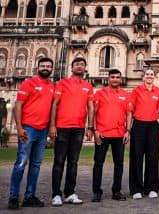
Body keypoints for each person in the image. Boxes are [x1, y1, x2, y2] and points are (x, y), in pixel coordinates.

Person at [8, 57, 55, 210]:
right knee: (21, 163)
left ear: (52, 69)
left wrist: (51, 127)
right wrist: (20, 128)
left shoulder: (52, 86)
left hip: (42, 131)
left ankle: (29, 196)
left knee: (35, 165)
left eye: (48, 66)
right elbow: (17, 105)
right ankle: (13, 197)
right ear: (37, 67)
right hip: (28, 129)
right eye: (43, 66)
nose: (46, 68)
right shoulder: (29, 83)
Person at [49, 57, 94, 206]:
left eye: (82, 64)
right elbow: (55, 104)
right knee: (59, 161)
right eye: (77, 64)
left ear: (85, 68)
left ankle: (69, 193)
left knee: (73, 162)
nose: (80, 66)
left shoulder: (88, 86)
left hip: (78, 128)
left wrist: (90, 127)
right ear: (71, 67)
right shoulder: (62, 83)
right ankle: (56, 194)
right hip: (62, 127)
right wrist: (52, 125)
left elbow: (90, 107)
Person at [91, 69, 132, 202]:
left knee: (119, 164)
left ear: (121, 79)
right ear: (108, 79)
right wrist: (95, 130)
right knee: (98, 163)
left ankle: (117, 191)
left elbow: (129, 114)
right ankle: (97, 192)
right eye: (113, 77)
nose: (115, 79)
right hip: (102, 134)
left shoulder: (126, 95)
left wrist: (128, 131)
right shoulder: (100, 93)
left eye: (117, 77)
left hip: (119, 134)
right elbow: (94, 113)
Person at [129, 69, 159, 199]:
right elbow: (131, 109)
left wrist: (152, 115)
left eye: (151, 74)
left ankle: (152, 188)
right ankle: (136, 189)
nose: (149, 76)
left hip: (152, 126)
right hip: (139, 125)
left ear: (154, 77)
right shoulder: (136, 90)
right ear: (143, 77)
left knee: (152, 157)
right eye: (147, 74)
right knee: (136, 157)